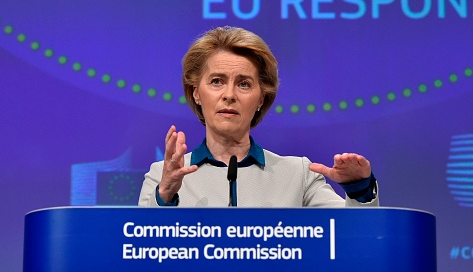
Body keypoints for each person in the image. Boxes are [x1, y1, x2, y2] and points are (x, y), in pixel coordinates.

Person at [138, 26, 378, 207]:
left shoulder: (299, 175)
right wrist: (166, 194)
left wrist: (360, 190)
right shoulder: (162, 176)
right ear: (196, 93)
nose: (229, 95)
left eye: (243, 84)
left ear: (261, 98)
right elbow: (140, 252)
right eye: (217, 81)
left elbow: (353, 241)